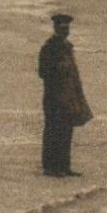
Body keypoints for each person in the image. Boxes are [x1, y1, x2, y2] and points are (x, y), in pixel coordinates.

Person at [37, 13, 91, 177]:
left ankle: (64, 166)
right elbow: (43, 72)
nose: (65, 31)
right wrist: (58, 69)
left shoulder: (67, 46)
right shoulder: (49, 47)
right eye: (62, 28)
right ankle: (50, 167)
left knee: (66, 131)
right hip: (54, 97)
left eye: (67, 28)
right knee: (53, 130)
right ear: (55, 28)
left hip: (68, 96)